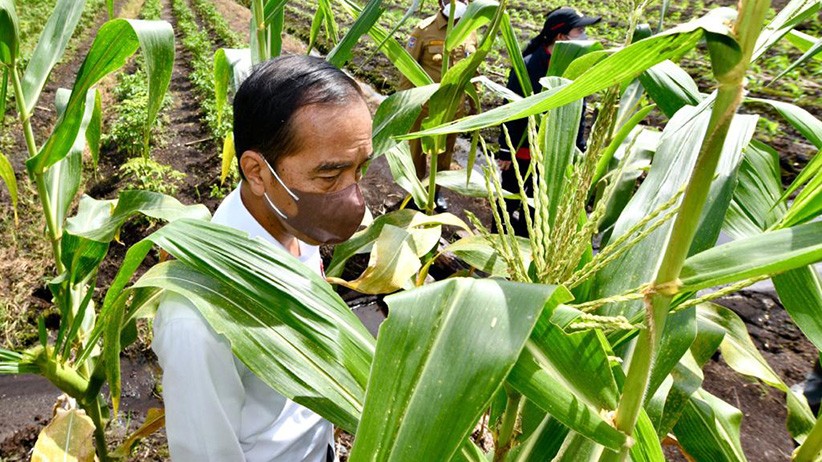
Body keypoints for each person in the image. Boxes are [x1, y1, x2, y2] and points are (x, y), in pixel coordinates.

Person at [152, 55, 372, 461]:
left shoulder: (298, 224)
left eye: (360, 169)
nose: (351, 197)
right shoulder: (200, 316)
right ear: (257, 171)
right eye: (330, 176)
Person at [495, 7, 600, 236]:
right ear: (561, 37)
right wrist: (505, 150)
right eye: (580, 31)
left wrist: (578, 149)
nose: (585, 37)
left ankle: (526, 250)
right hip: (523, 153)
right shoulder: (529, 65)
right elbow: (511, 108)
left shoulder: (576, 67)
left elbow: (579, 111)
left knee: (537, 208)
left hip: (553, 157)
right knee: (509, 202)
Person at [399, 0, 478, 212]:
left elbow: (474, 71)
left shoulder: (470, 30)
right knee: (416, 155)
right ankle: (414, 194)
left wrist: (475, 104)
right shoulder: (424, 30)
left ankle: (435, 193)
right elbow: (408, 69)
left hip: (453, 110)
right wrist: (402, 105)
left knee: (445, 157)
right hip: (424, 109)